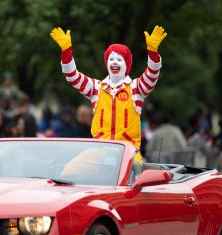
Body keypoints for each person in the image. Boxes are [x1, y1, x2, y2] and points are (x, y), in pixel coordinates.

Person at [50, 26, 167, 163]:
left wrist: (153, 53)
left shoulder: (136, 88)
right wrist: (66, 52)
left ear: (126, 64)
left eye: (119, 59)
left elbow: (152, 75)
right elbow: (72, 76)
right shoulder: (96, 88)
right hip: (99, 152)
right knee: (69, 174)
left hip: (127, 153)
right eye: (111, 59)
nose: (115, 62)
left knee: (127, 181)